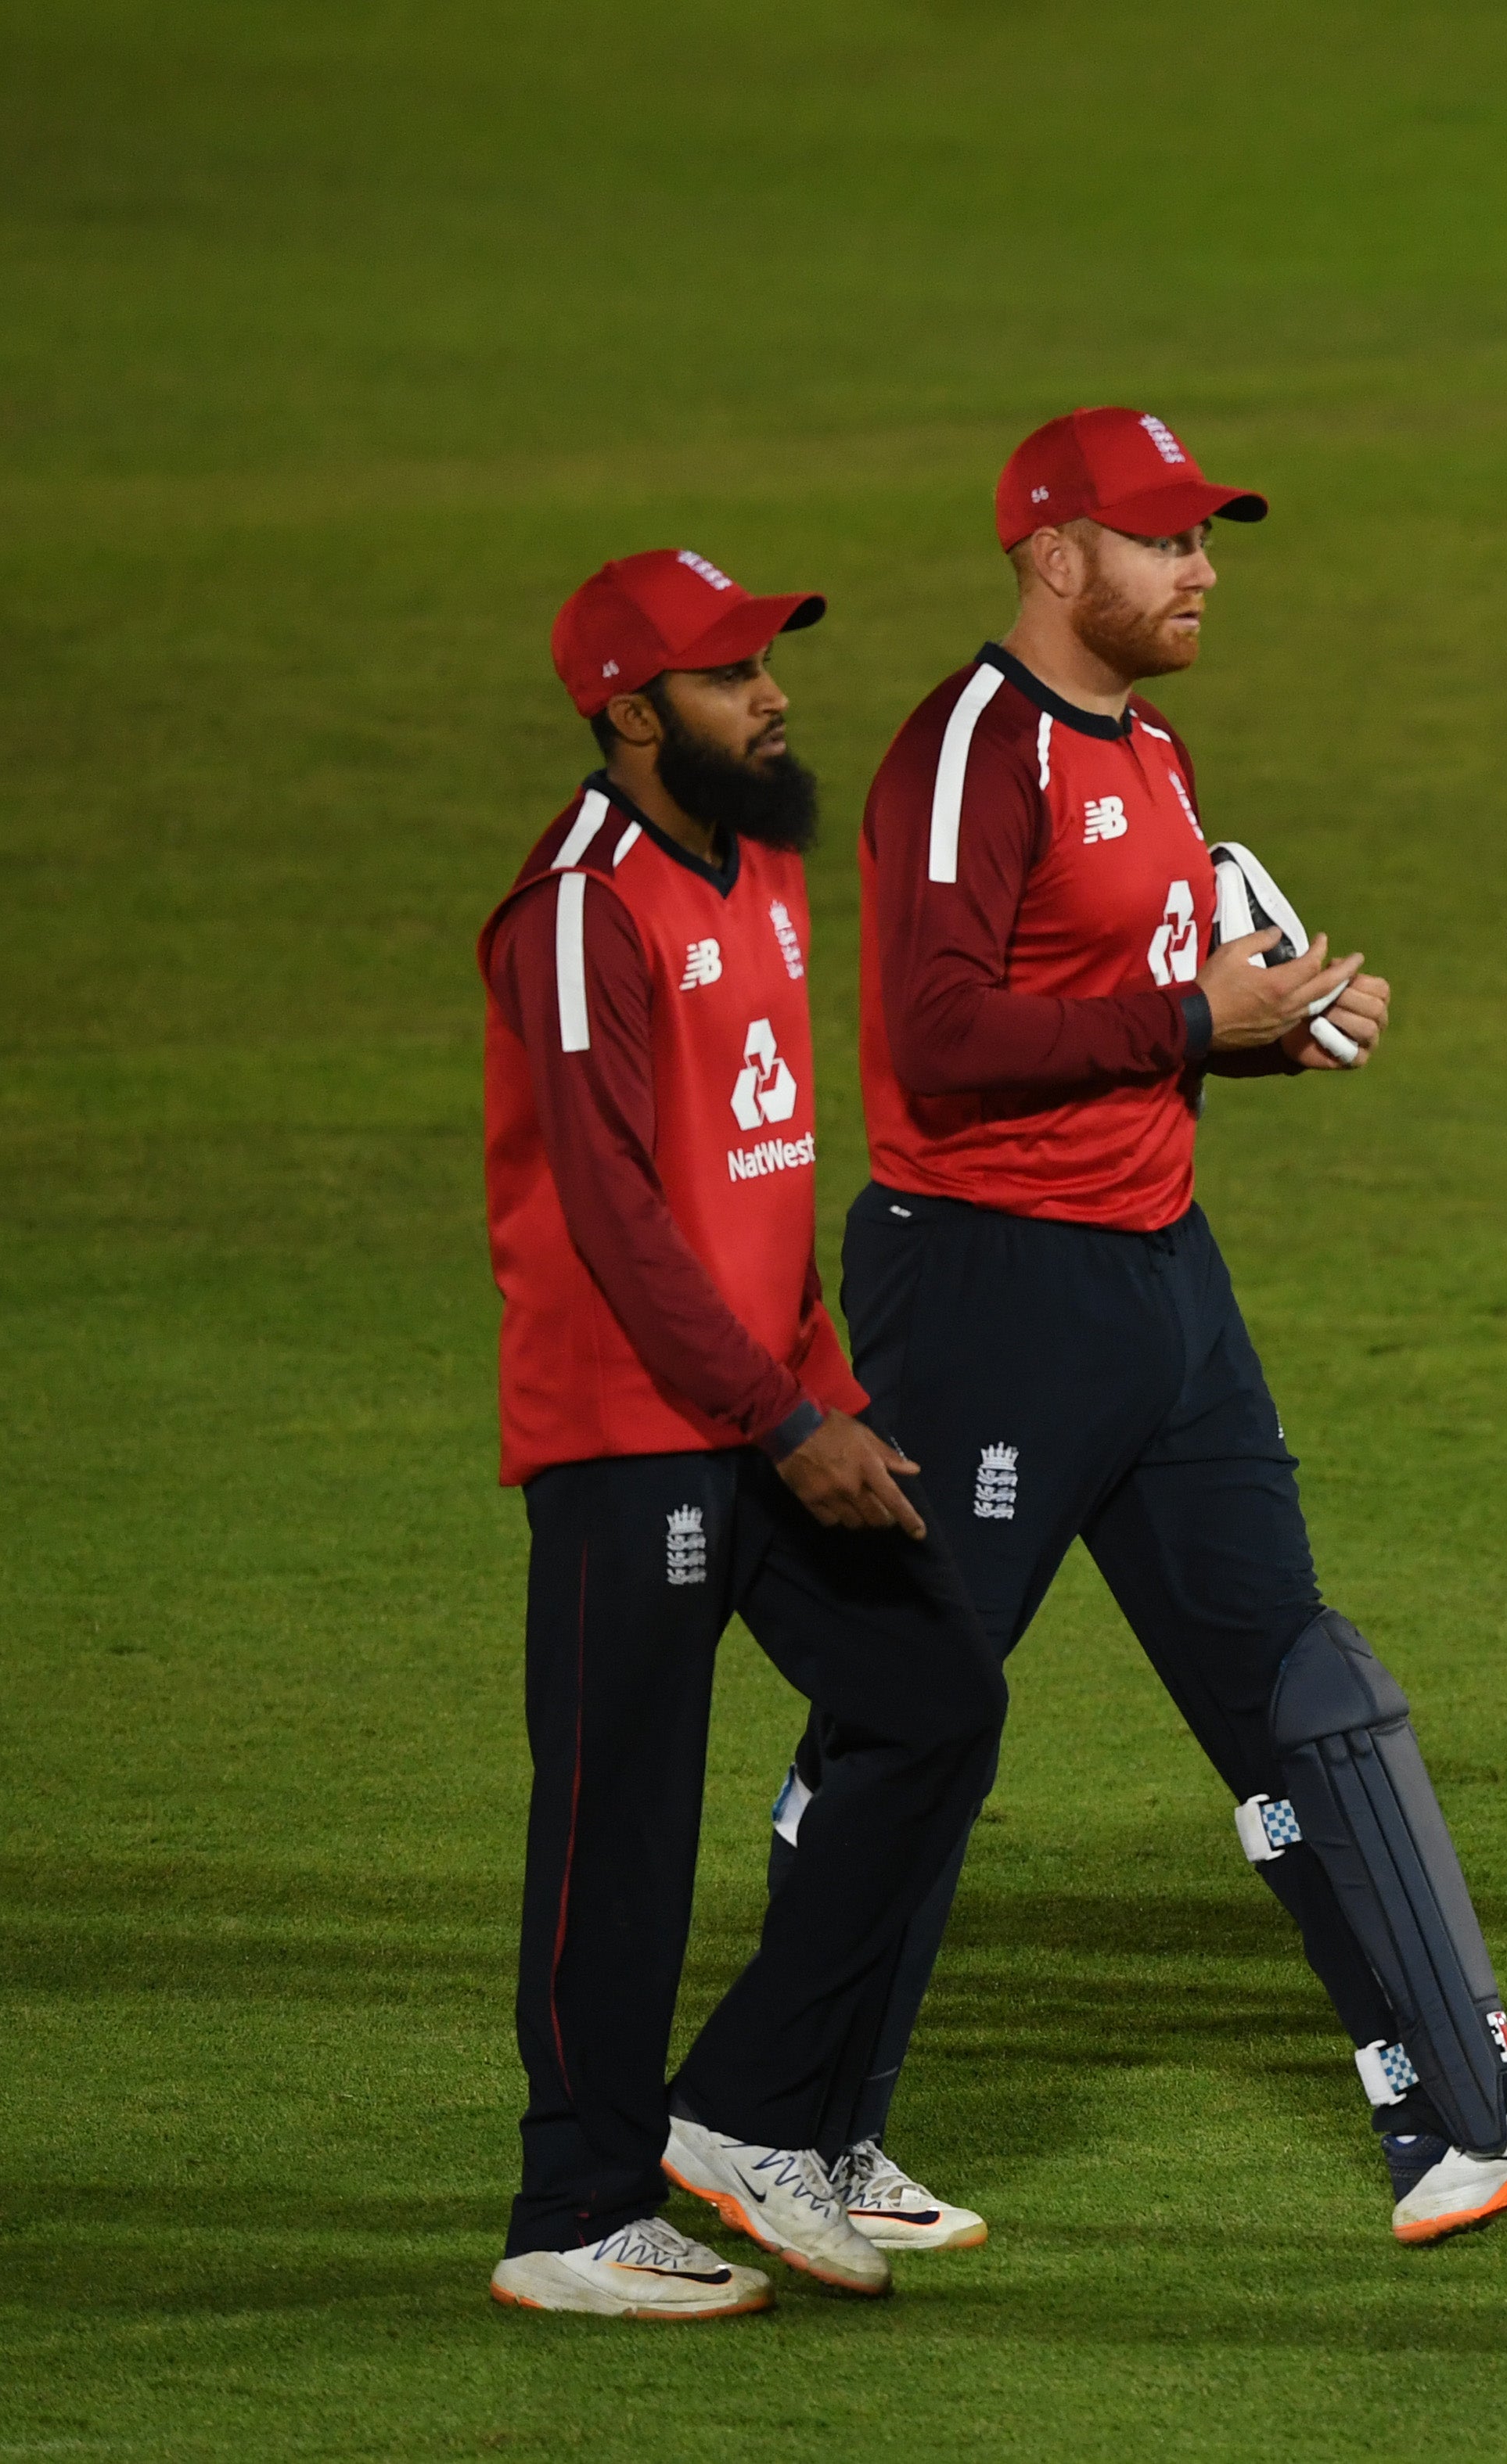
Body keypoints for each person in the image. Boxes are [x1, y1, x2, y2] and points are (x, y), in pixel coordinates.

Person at [764, 408, 1507, 2249]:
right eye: (1161, 536)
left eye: (1206, 536)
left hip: (1161, 1280)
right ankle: (786, 2130)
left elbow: (1148, 1000)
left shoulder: (1154, 750)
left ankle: (1465, 2123)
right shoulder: (970, 749)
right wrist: (1196, 1027)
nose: (1200, 567)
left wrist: (1279, 1017)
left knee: (1300, 1683)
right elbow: (937, 1036)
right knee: (912, 1712)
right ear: (1049, 553)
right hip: (990, 1284)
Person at [480, 549, 1006, 2320]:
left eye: (769, 660)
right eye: (727, 674)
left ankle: (750, 2107)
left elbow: (764, 1183)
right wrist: (783, 1417)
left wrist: (824, 1386)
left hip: (772, 1412)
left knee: (938, 1699)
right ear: (628, 714)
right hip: (632, 1435)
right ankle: (572, 2215)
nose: (772, 693)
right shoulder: (576, 909)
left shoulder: (763, 866)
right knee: (619, 1819)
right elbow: (619, 1212)